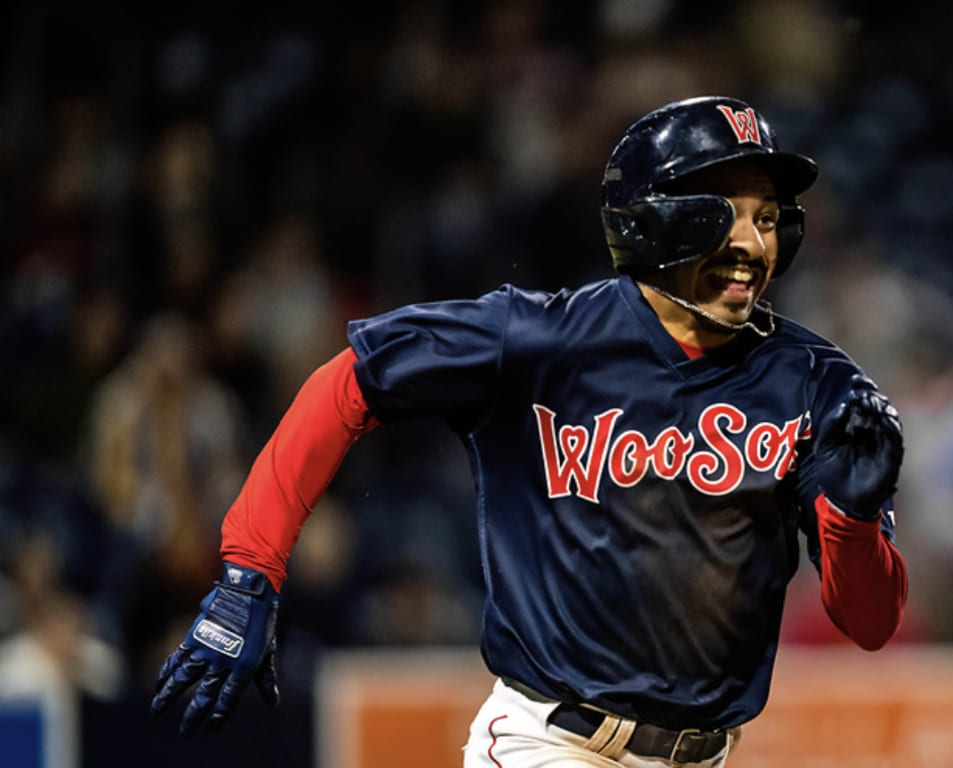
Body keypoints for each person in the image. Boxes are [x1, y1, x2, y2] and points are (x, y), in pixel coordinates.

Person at [150, 95, 908, 767]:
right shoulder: (542, 339)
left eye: (770, 217)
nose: (756, 244)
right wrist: (250, 572)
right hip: (552, 743)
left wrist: (854, 522)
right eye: (728, 210)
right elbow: (345, 384)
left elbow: (869, 624)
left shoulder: (815, 382)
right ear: (653, 216)